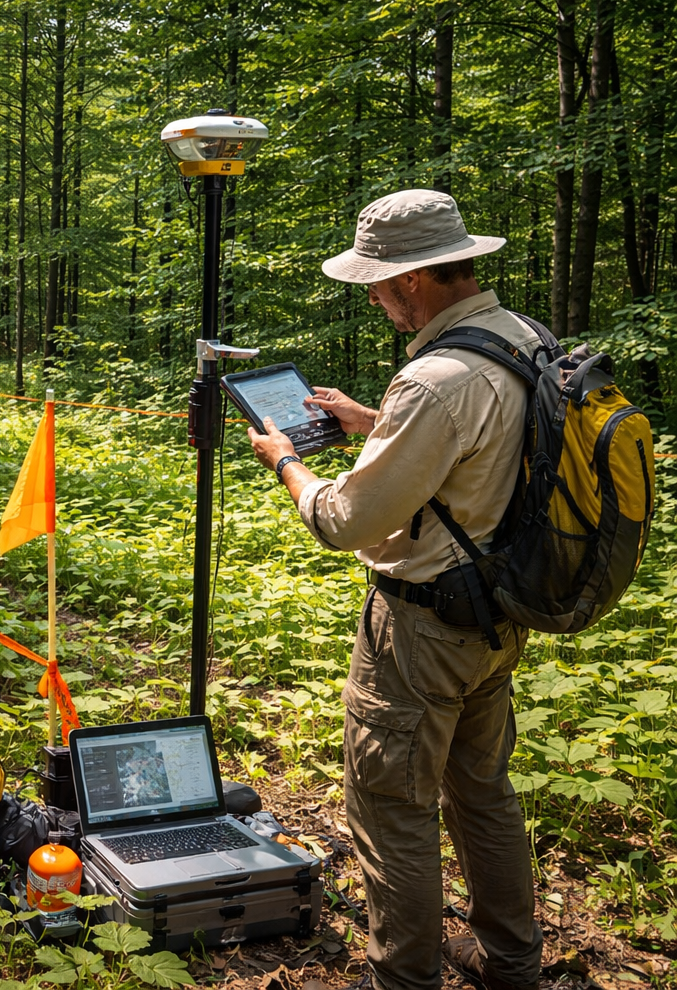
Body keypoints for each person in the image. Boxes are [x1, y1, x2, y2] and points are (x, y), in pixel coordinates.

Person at [245, 190, 542, 990]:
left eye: (375, 285)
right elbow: (484, 446)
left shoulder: (435, 380)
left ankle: (402, 979)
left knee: (391, 806)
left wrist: (285, 459)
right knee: (482, 792)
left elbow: (343, 519)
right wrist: (372, 420)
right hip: (501, 611)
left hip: (422, 629)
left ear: (410, 279)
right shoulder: (521, 339)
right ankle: (511, 962)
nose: (374, 300)